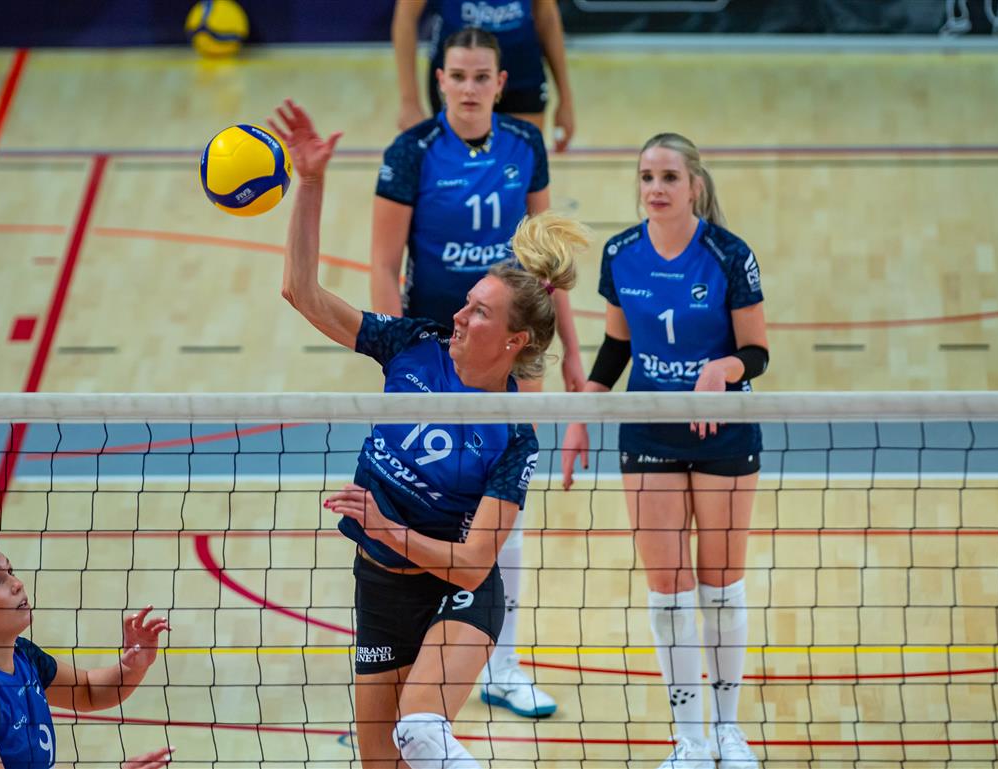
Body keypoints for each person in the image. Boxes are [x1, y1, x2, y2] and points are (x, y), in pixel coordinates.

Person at [269, 99, 586, 769]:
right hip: (381, 587)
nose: (459, 315)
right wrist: (312, 182)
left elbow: (472, 564)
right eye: (467, 302)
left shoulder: (513, 437)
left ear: (515, 340)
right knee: (381, 761)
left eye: (479, 312)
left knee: (419, 731)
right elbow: (301, 292)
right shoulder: (412, 344)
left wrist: (388, 527)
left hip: (456, 591)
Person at [373, 25, 581, 718]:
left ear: (500, 83)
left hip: (514, 347)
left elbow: (548, 262)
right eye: (456, 75)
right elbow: (383, 264)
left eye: (480, 76)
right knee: (429, 494)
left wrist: (571, 351)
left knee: (503, 508)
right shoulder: (411, 152)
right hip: (438, 349)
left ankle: (504, 662)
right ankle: (417, 644)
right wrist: (396, 351)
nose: (468, 87)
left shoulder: (524, 144)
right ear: (439, 81)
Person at [561, 133, 769, 769]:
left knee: (720, 585)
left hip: (722, 431)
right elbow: (617, 347)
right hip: (649, 433)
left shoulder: (729, 254)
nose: (655, 188)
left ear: (694, 186)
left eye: (669, 177)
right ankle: (689, 739)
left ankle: (728, 732)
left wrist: (722, 370)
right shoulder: (621, 253)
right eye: (647, 176)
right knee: (669, 589)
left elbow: (757, 352)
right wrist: (582, 416)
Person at [0, 540, 175, 768]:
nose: (17, 584)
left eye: (10, 572)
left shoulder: (22, 655)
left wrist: (132, 666)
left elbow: (88, 691)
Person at [393, 0, 575, 151]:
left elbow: (546, 17)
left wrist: (565, 100)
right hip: (460, 72)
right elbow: (406, 16)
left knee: (520, 164)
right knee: (459, 167)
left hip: (522, 69)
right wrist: (410, 102)